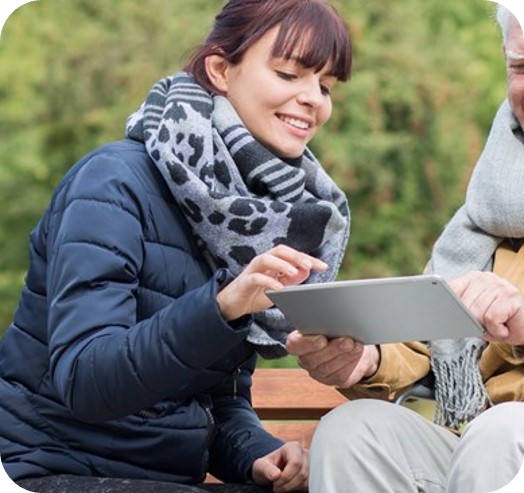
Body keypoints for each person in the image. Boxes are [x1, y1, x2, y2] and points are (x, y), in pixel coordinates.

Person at [0, 1, 353, 492]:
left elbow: (219, 404)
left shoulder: (250, 215)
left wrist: (260, 456)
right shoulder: (112, 183)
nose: (313, 99)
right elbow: (85, 381)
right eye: (290, 73)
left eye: (326, 85)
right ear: (220, 70)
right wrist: (220, 309)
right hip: (54, 467)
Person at [287, 5, 524, 493]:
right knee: (355, 432)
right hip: (479, 449)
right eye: (521, 67)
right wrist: (366, 361)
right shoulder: (486, 215)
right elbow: (425, 344)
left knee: (501, 432)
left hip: (501, 440)